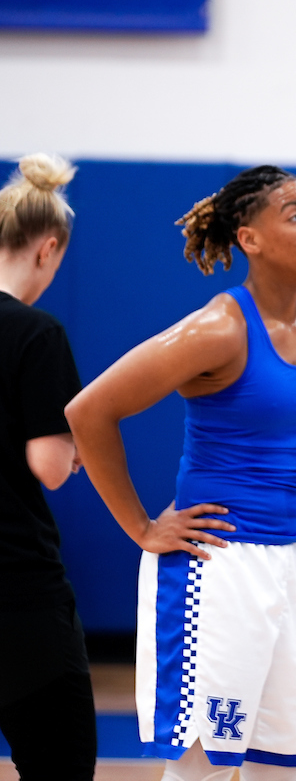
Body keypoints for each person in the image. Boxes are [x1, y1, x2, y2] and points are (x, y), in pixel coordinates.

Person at [65, 166, 296, 781]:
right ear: (249, 238)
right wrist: (143, 528)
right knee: (204, 765)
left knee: (286, 763)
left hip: (295, 562)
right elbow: (89, 412)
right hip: (217, 568)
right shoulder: (218, 329)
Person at [0, 154, 96, 781]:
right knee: (58, 763)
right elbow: (48, 464)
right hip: (16, 593)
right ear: (49, 248)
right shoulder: (37, 332)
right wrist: (78, 449)